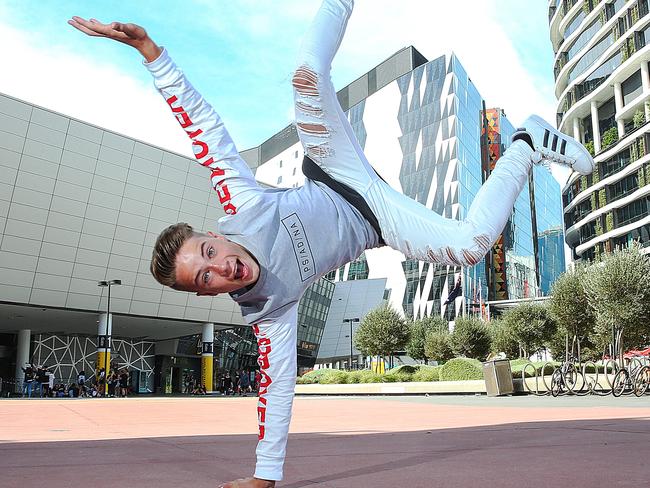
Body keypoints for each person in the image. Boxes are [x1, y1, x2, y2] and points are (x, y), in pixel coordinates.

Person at [69, 1, 593, 486]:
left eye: (209, 254)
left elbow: (203, 126)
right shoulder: (268, 311)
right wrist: (264, 475)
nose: (221, 267)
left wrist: (150, 54)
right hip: (377, 220)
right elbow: (275, 389)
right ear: (206, 295)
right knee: (469, 245)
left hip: (333, 169)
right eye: (204, 278)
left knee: (306, 76)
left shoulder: (239, 202)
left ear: (212, 235)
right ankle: (526, 144)